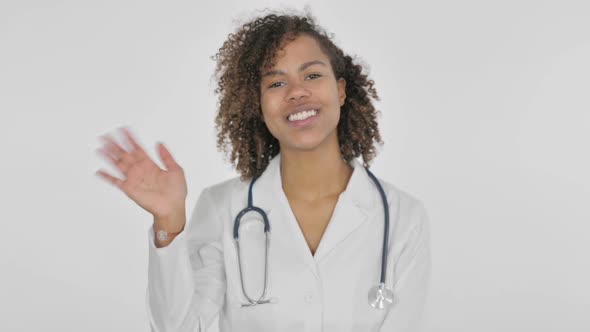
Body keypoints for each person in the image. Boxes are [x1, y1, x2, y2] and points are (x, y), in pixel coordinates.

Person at [96, 9, 431, 332]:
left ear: (340, 90)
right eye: (275, 83)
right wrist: (169, 221)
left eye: (312, 75)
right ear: (258, 103)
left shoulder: (403, 217)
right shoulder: (222, 207)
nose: (297, 92)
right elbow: (178, 328)